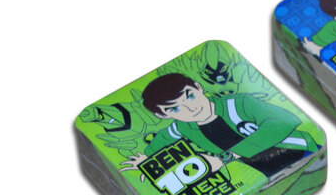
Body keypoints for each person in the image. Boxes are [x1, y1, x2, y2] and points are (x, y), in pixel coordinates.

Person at [120, 73, 318, 179]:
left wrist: (226, 158)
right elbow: (165, 137)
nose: (191, 108)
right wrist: (147, 158)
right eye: (175, 109)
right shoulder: (182, 126)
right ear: (163, 115)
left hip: (300, 152)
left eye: (190, 96)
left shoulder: (238, 104)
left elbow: (284, 122)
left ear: (199, 87)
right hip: (261, 172)